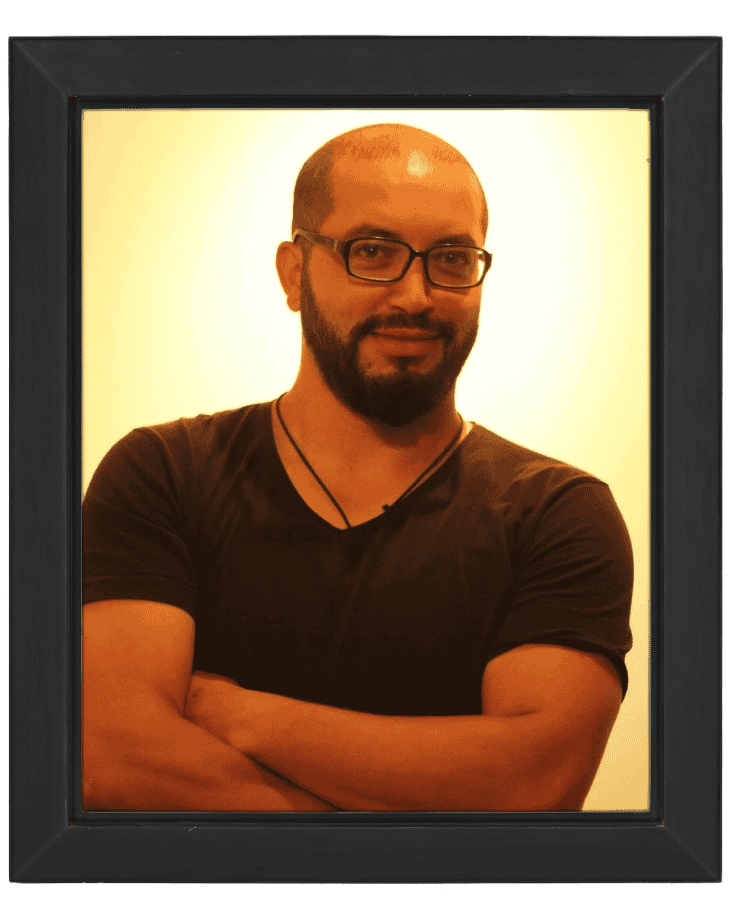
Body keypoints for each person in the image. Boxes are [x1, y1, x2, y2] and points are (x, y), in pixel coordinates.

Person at [82, 123, 633, 813]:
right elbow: (114, 765)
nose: (415, 295)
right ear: (294, 272)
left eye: (452, 258)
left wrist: (240, 716)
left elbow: (534, 787)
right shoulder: (164, 475)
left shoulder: (557, 514)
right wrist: (399, 836)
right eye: (372, 252)